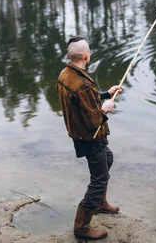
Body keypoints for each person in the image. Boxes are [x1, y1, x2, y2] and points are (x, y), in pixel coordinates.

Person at [56, 35, 122, 240]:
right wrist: (105, 109)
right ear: (86, 55)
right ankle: (81, 228)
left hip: (80, 134)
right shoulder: (81, 84)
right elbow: (94, 120)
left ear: (69, 55)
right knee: (99, 180)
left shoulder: (66, 74)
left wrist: (104, 94)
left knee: (107, 159)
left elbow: (83, 101)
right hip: (90, 137)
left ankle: (100, 204)